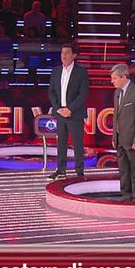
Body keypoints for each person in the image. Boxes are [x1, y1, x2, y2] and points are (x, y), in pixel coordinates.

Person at [48, 42, 89, 179]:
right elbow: (51, 91)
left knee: (77, 143)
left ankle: (79, 171)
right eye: (62, 53)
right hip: (60, 113)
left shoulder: (81, 72)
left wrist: (70, 109)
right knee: (61, 143)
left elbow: (83, 93)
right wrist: (58, 108)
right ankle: (61, 170)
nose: (64, 55)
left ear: (74, 55)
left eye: (67, 53)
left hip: (75, 114)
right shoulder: (56, 71)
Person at [111, 63, 135, 201]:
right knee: (123, 170)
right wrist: (114, 136)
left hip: (134, 139)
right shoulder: (117, 93)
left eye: (115, 78)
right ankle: (126, 195)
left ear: (124, 77)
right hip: (120, 139)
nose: (112, 81)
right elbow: (116, 116)